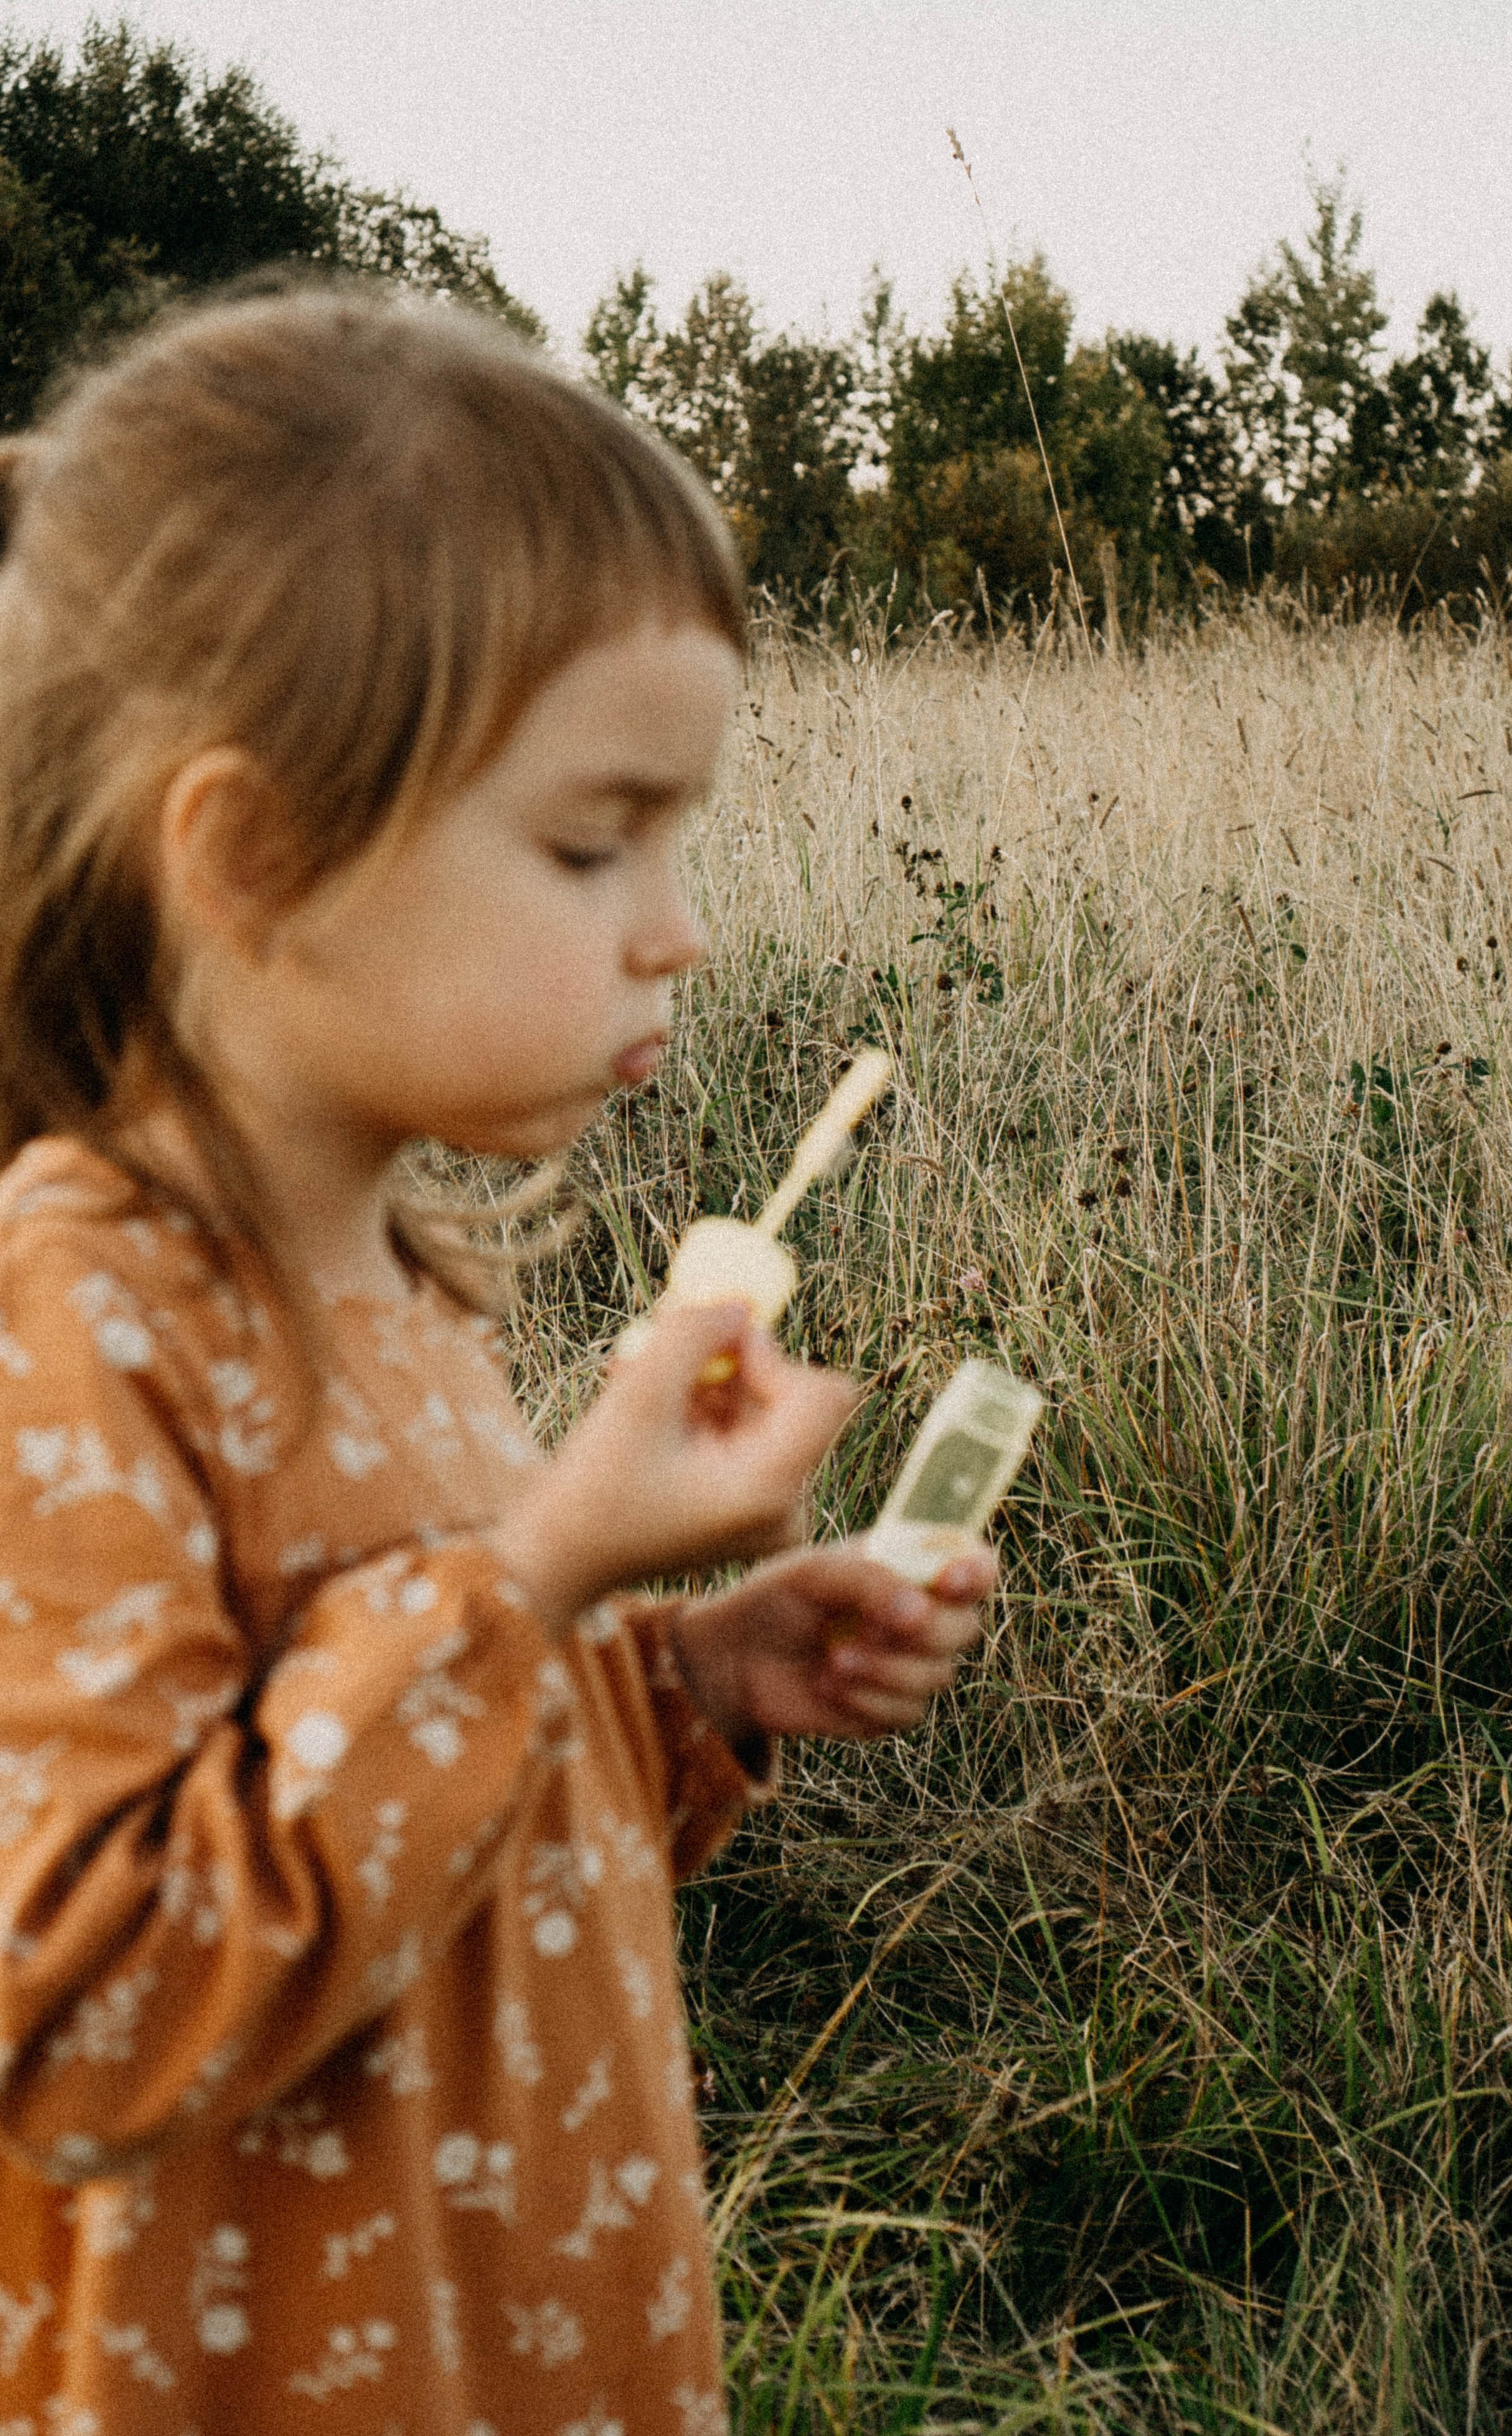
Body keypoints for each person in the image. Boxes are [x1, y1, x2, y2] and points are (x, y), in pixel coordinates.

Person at [0, 285, 993, 2436]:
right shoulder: (73, 1321)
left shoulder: (408, 1282)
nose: (677, 928)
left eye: (678, 839)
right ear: (258, 856)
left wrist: (692, 1682)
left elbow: (415, 1785)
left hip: (518, 2345)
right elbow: (81, 2013)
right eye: (587, 843)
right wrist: (542, 1565)